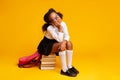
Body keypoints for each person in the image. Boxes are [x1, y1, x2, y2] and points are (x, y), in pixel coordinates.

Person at [37, 8, 79, 77]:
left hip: (56, 42)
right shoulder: (50, 28)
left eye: (57, 16)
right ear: (51, 22)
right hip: (46, 45)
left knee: (69, 43)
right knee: (62, 45)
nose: (58, 19)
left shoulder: (63, 23)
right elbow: (59, 40)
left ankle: (69, 66)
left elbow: (67, 35)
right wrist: (59, 29)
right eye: (55, 19)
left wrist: (64, 42)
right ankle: (64, 70)